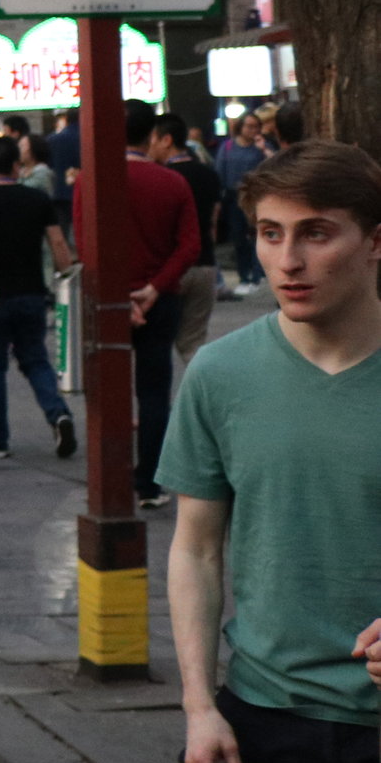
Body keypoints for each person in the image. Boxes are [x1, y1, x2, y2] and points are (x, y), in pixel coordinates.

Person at [162, 141, 381, 763]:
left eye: (317, 232)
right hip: (266, 725)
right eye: (270, 232)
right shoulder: (221, 374)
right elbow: (195, 550)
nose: (288, 259)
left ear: (375, 242)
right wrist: (198, 706)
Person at [0, 135, 78, 460]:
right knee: (36, 360)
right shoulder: (36, 200)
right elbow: (58, 245)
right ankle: (58, 414)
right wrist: (67, 279)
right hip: (31, 294)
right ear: (17, 165)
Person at [113, 100, 202, 508]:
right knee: (153, 393)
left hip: (108, 301)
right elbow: (190, 246)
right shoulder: (172, 183)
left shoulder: (92, 184)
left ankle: (110, 481)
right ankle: (148, 483)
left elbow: (87, 244)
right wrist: (153, 289)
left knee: (108, 392)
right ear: (153, 135)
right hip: (160, 300)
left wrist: (121, 295)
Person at [150, 113, 223, 361]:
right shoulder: (208, 174)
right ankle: (207, 396)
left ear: (166, 140)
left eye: (154, 139)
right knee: (193, 342)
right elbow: (213, 222)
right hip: (206, 265)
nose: (150, 146)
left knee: (157, 345)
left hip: (172, 269)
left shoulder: (162, 179)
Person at [215, 112, 268, 295]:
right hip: (233, 195)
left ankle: (257, 274)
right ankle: (244, 275)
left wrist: (263, 149)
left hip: (255, 195)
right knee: (238, 238)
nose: (252, 130)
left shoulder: (261, 147)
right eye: (249, 126)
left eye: (256, 126)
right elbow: (220, 171)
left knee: (256, 234)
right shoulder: (228, 146)